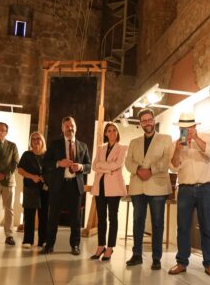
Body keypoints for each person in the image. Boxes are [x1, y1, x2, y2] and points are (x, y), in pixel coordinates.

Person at [168, 112, 210, 278]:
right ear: (180, 128)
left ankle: (209, 264)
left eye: (190, 127)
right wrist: (177, 150)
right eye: (184, 127)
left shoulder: (206, 137)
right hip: (185, 188)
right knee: (183, 227)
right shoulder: (175, 143)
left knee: (206, 226)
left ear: (195, 126)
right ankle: (182, 262)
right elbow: (174, 167)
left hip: (206, 187)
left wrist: (196, 139)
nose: (187, 130)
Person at [124, 108, 173, 270]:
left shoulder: (166, 139)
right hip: (138, 186)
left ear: (153, 120)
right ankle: (137, 255)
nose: (147, 123)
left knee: (158, 222)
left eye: (149, 119)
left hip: (157, 185)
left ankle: (156, 257)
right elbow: (128, 162)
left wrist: (150, 170)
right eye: (144, 121)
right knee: (137, 221)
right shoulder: (134, 142)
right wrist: (138, 169)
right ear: (140, 124)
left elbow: (167, 159)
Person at [42, 116, 91, 255]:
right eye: (67, 126)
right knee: (53, 218)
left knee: (76, 219)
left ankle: (75, 245)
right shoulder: (54, 144)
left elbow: (89, 166)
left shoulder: (83, 146)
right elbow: (45, 164)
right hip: (58, 186)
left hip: (75, 187)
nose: (70, 128)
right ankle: (49, 245)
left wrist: (81, 167)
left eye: (72, 125)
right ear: (62, 129)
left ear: (76, 127)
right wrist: (58, 163)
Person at [89, 123, 127, 261]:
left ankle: (110, 248)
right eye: (109, 131)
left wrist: (103, 166)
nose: (111, 133)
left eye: (114, 130)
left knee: (112, 218)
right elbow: (94, 166)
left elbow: (117, 165)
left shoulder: (123, 148)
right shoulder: (100, 148)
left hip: (114, 188)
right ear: (105, 133)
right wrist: (108, 169)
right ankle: (100, 246)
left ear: (117, 133)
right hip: (100, 187)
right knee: (101, 219)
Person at [17, 131, 48, 249]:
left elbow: (52, 170)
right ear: (31, 141)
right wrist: (32, 176)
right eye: (33, 139)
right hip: (30, 188)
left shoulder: (48, 155)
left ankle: (43, 241)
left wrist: (44, 177)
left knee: (44, 215)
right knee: (29, 215)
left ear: (42, 141)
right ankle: (28, 240)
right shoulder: (27, 155)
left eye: (38, 138)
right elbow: (20, 170)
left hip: (45, 189)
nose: (36, 141)